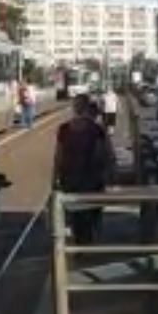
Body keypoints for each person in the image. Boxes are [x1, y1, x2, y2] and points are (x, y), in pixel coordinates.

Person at [54, 94, 114, 245]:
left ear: (74, 108)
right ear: (88, 108)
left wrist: (54, 178)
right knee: (92, 212)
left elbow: (58, 156)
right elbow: (106, 154)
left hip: (70, 178)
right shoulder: (96, 129)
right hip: (91, 179)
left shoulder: (64, 129)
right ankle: (90, 243)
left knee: (75, 214)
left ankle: (79, 243)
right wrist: (108, 173)